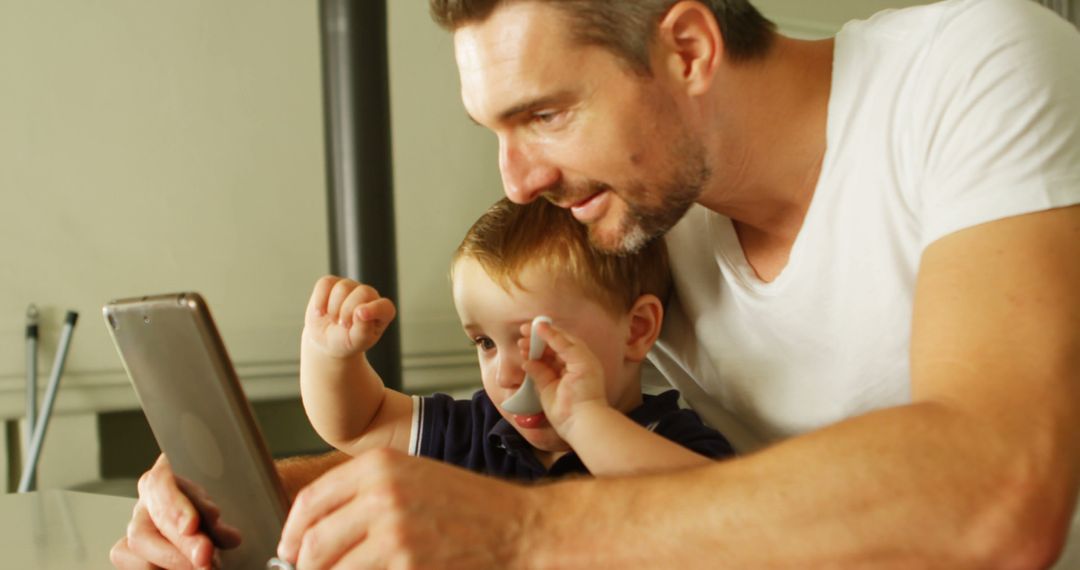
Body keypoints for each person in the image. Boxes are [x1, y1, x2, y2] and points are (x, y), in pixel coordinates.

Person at [113, 0, 1080, 568]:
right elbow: (500, 447)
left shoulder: (976, 69)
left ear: (689, 49)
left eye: (544, 115)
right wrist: (257, 502)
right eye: (496, 130)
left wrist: (524, 532)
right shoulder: (644, 214)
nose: (517, 180)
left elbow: (998, 493)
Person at [299, 197, 733, 479]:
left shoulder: (669, 442)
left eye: (534, 344)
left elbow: (722, 516)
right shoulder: (478, 432)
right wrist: (329, 355)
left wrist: (585, 421)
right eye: (485, 343)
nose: (505, 374)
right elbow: (360, 425)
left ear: (636, 330)